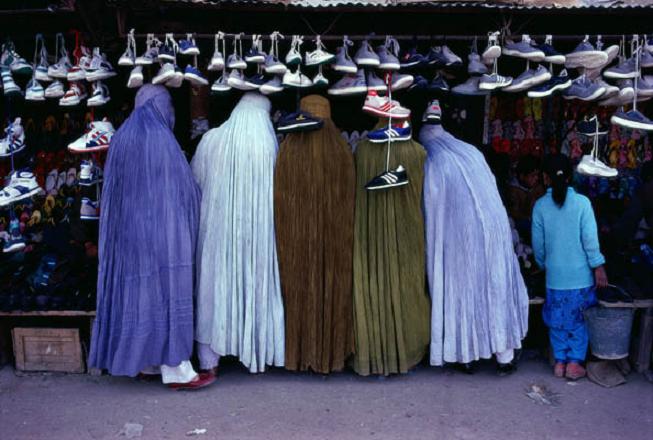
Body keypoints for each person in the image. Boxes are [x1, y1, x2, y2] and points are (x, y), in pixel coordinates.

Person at [89, 85, 214, 390]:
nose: (170, 111)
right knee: (169, 294)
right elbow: (182, 188)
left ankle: (146, 361)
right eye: (168, 104)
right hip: (162, 235)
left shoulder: (121, 138)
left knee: (139, 296)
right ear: (160, 105)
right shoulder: (161, 138)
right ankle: (177, 369)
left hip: (128, 237)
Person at [532, 154, 608, 380]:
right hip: (580, 277)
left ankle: (560, 362)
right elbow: (590, 241)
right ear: (571, 176)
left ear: (546, 178)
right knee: (578, 321)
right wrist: (598, 266)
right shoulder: (583, 203)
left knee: (557, 320)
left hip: (555, 277)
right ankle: (574, 363)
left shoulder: (540, 206)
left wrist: (544, 264)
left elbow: (539, 246)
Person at [508, 155, 545, 241]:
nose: (536, 178)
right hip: (523, 225)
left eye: (537, 175)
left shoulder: (537, 187)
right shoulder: (513, 191)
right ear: (522, 176)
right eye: (532, 176)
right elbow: (515, 213)